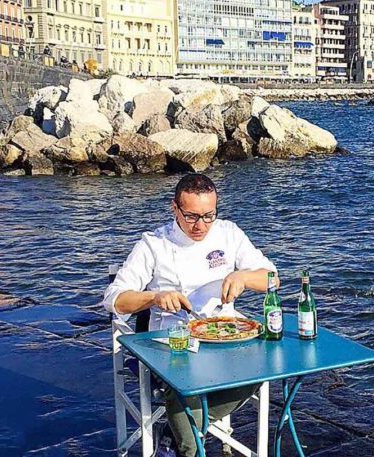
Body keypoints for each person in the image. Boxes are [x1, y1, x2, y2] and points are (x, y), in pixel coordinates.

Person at [103, 173, 279, 457]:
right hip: (173, 343)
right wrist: (155, 297)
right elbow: (114, 300)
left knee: (264, 368)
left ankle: (177, 432)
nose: (201, 226)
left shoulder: (229, 233)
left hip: (225, 336)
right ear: (175, 208)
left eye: (209, 216)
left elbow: (272, 278)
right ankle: (187, 441)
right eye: (191, 216)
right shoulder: (153, 244)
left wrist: (243, 276)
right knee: (186, 387)